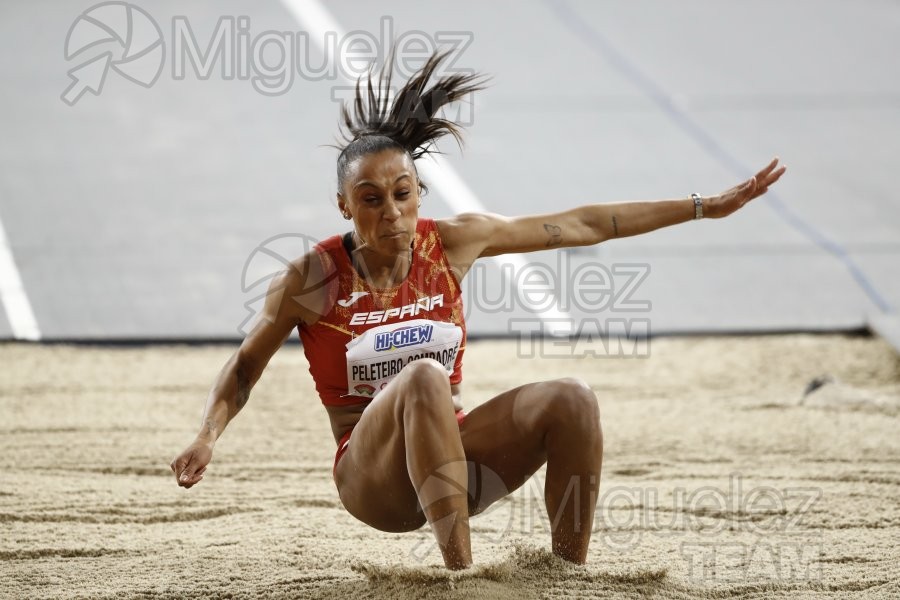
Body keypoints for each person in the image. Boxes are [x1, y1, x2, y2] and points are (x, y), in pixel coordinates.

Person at [170, 50, 786, 570]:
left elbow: (584, 224)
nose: (391, 213)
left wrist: (705, 205)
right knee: (423, 377)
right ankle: (462, 577)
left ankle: (567, 572)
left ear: (420, 194)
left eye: (403, 194)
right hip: (373, 482)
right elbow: (247, 365)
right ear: (343, 207)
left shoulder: (455, 242)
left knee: (573, 396)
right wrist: (207, 434)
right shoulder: (313, 276)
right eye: (370, 199)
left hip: (457, 466)